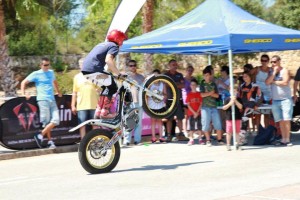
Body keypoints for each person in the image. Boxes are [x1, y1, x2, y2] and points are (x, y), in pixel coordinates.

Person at [81, 29, 127, 119]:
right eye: (122, 40)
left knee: (106, 86)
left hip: (86, 71)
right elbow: (108, 60)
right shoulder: (114, 46)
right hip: (94, 70)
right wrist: (118, 74)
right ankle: (104, 112)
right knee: (113, 87)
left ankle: (98, 111)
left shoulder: (102, 44)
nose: (122, 43)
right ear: (118, 39)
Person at [20, 57, 61, 149]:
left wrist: (58, 91)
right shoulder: (36, 74)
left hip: (52, 99)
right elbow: (23, 82)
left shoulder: (51, 72)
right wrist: (23, 94)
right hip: (42, 100)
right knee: (46, 122)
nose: (47, 67)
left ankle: (40, 135)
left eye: (48, 65)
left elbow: (54, 82)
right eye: (45, 65)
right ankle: (50, 142)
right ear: (41, 65)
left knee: (56, 119)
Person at [265, 55, 293, 146]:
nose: (273, 64)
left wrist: (274, 82)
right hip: (275, 100)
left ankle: (287, 139)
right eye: (272, 62)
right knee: (280, 120)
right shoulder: (271, 72)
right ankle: (283, 139)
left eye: (275, 61)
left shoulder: (285, 71)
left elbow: (285, 82)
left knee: (286, 120)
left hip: (285, 99)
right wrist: (274, 73)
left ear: (279, 61)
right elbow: (267, 82)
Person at [71, 58, 99, 139]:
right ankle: (83, 142)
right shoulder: (76, 77)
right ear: (79, 66)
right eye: (81, 64)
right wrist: (73, 105)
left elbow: (100, 88)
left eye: (85, 63)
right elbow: (74, 92)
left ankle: (95, 142)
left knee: (95, 125)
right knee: (82, 125)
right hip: (81, 106)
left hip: (94, 105)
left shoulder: (94, 76)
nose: (83, 65)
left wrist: (98, 90)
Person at [123, 60, 145, 146]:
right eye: (131, 65)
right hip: (129, 103)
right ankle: (127, 140)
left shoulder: (141, 77)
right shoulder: (126, 77)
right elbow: (123, 89)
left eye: (134, 65)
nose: (133, 67)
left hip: (139, 102)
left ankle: (137, 140)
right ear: (128, 67)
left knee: (138, 122)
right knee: (128, 121)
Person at [199, 67, 223, 146]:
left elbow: (217, 95)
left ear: (210, 75)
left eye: (208, 75)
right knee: (206, 124)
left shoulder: (213, 84)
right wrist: (211, 93)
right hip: (205, 107)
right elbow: (202, 95)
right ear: (203, 76)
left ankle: (219, 140)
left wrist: (208, 93)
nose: (207, 77)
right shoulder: (202, 84)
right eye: (205, 75)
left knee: (217, 123)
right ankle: (208, 140)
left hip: (213, 106)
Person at [164, 59, 186, 142]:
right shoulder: (166, 75)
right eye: (173, 65)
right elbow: (166, 84)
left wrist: (172, 84)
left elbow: (183, 85)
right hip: (170, 99)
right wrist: (176, 84)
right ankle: (169, 135)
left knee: (180, 118)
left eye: (176, 64)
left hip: (178, 99)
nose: (175, 66)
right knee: (169, 118)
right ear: (169, 66)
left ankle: (181, 134)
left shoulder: (179, 75)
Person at [238, 72, 262, 140]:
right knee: (241, 119)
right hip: (242, 105)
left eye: (246, 76)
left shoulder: (255, 86)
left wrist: (257, 104)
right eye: (243, 77)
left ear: (250, 77)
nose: (245, 78)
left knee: (245, 117)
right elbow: (239, 96)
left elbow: (260, 96)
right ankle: (242, 137)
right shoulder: (241, 86)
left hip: (251, 104)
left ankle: (242, 136)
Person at [252, 54, 272, 128]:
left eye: (265, 60)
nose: (263, 62)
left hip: (268, 93)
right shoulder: (257, 69)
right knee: (258, 113)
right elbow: (247, 74)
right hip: (258, 93)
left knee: (267, 114)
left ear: (268, 61)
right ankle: (258, 132)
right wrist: (253, 78)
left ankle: (266, 131)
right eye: (262, 60)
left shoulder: (271, 70)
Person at [222, 86, 243, 151]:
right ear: (229, 91)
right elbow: (224, 108)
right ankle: (228, 144)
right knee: (229, 132)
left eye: (235, 91)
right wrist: (230, 103)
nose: (233, 92)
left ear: (237, 92)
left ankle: (238, 144)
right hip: (229, 117)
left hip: (237, 117)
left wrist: (235, 101)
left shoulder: (239, 99)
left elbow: (240, 107)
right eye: (232, 91)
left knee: (237, 131)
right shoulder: (227, 99)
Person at [148, 69, 166, 143]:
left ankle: (161, 137)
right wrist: (152, 93)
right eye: (154, 75)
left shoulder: (162, 84)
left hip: (160, 105)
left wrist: (161, 95)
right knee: (153, 121)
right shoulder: (150, 84)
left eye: (157, 75)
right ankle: (153, 137)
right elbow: (146, 93)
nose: (156, 77)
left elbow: (165, 95)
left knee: (160, 121)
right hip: (152, 105)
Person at [186, 79, 203, 145]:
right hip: (191, 113)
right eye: (192, 85)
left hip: (198, 113)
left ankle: (200, 138)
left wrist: (197, 112)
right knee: (191, 127)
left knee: (199, 126)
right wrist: (194, 112)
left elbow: (201, 104)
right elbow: (188, 105)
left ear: (196, 86)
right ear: (190, 86)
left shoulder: (199, 94)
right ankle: (191, 139)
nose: (193, 86)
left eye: (194, 85)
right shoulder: (189, 95)